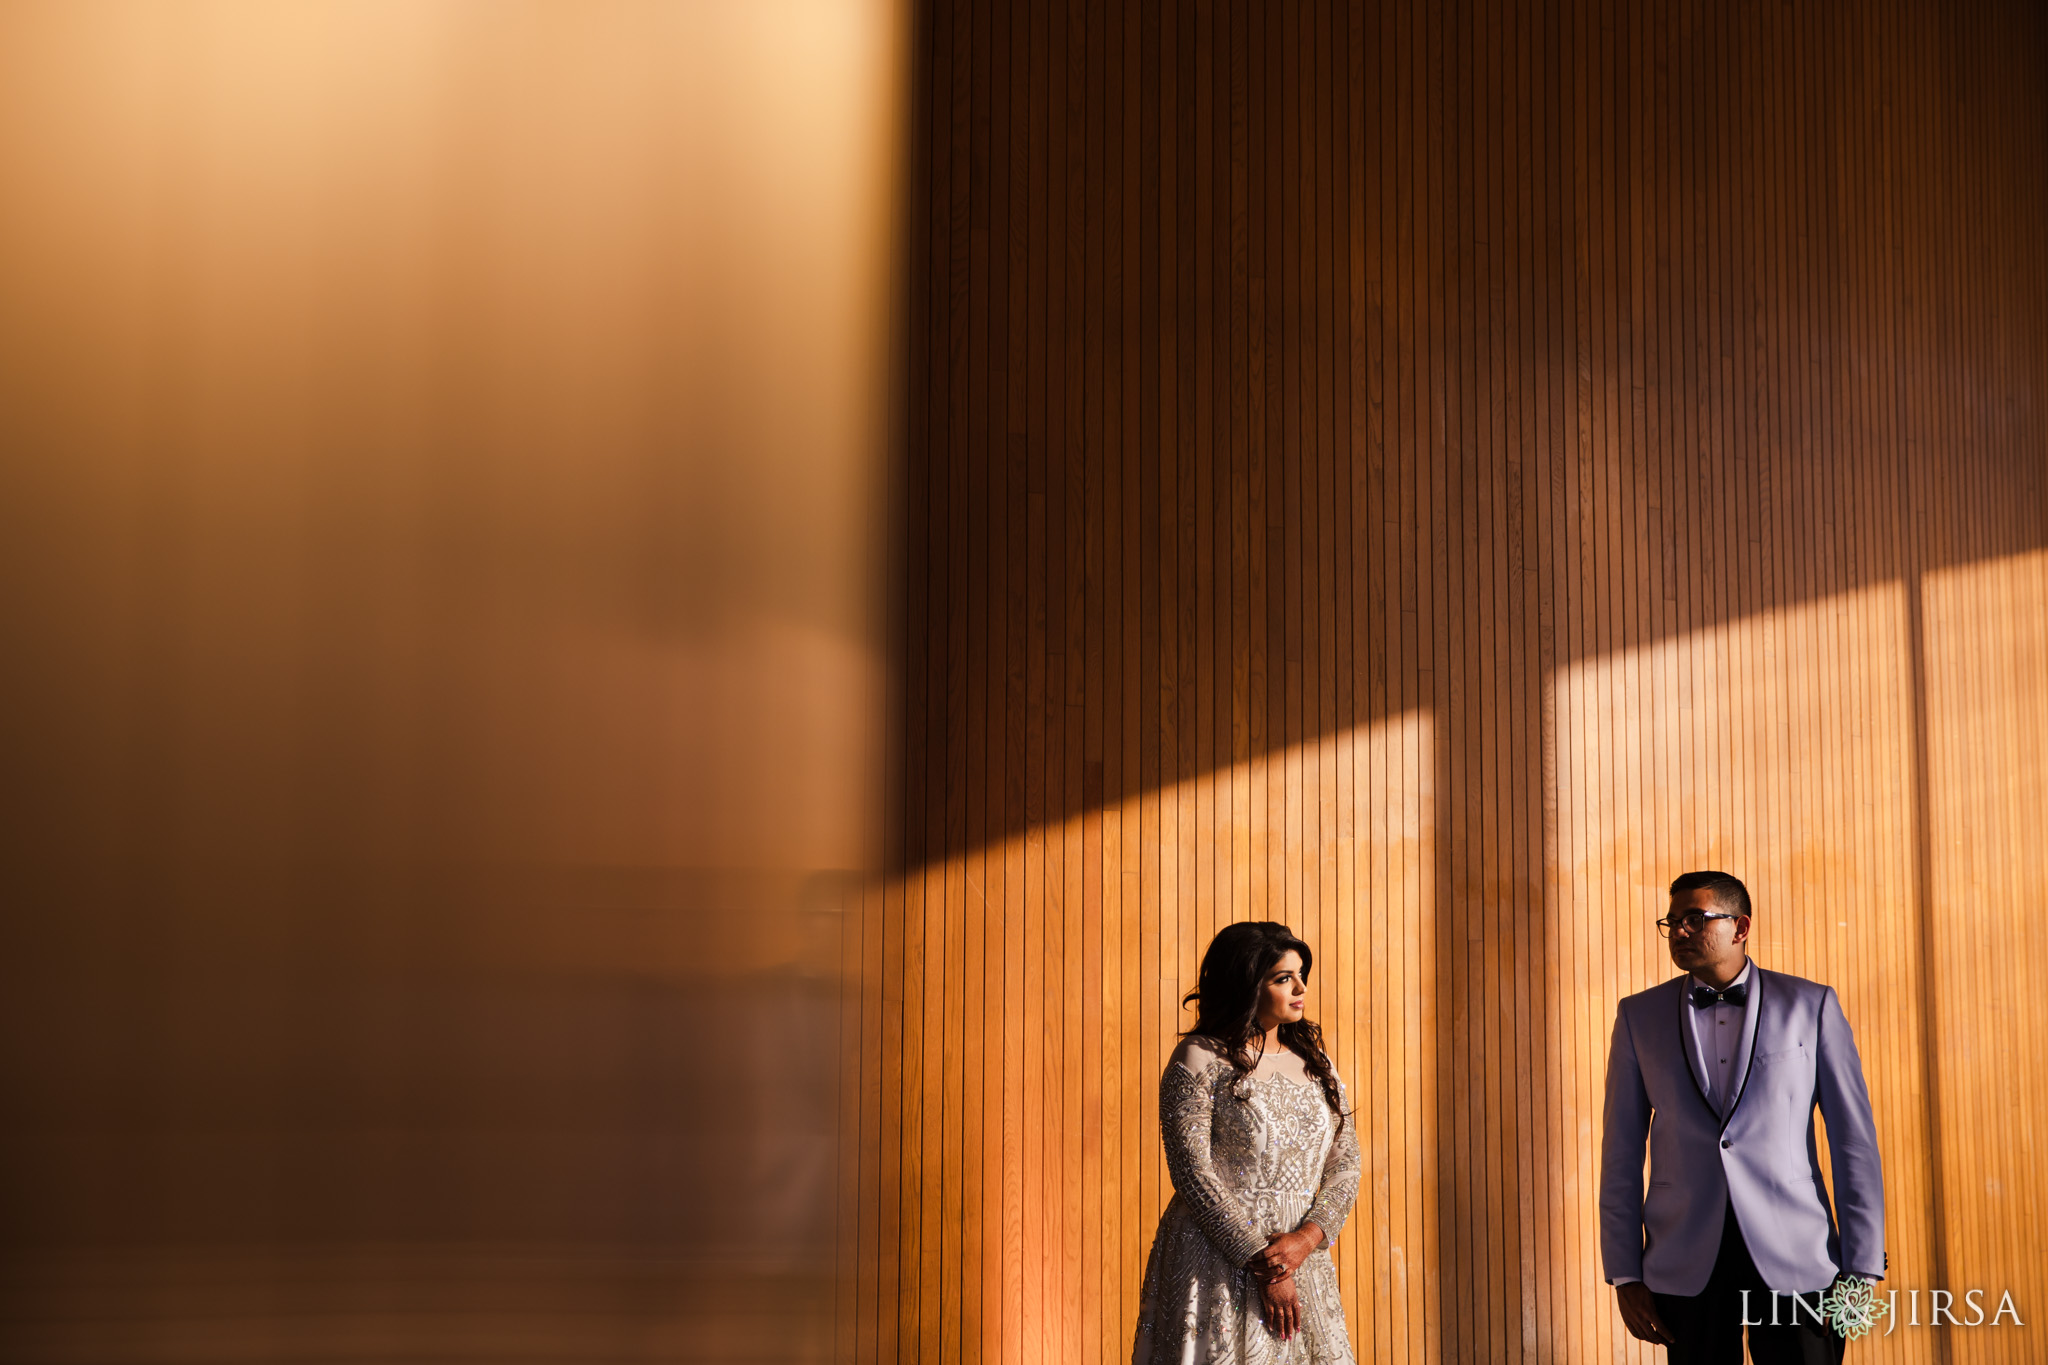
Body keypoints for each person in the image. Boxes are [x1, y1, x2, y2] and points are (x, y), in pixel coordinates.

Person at [1600, 871, 1886, 1364]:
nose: (1681, 931)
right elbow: (1620, 1153)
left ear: (1741, 926)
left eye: (1695, 919)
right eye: (1673, 922)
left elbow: (1853, 1143)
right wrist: (1625, 1273)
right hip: (1684, 1259)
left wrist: (1863, 1268)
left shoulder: (1810, 1005)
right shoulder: (1638, 1016)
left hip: (1799, 1255)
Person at [1131, 921, 1360, 1364]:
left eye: (1300, 975)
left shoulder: (1317, 1065)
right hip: (1217, 1260)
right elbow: (1192, 1173)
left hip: (1301, 1258)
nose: (1301, 988)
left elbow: (1346, 1164)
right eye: (1283, 978)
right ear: (1245, 984)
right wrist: (1269, 1266)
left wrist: (1307, 1240)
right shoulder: (1200, 1058)